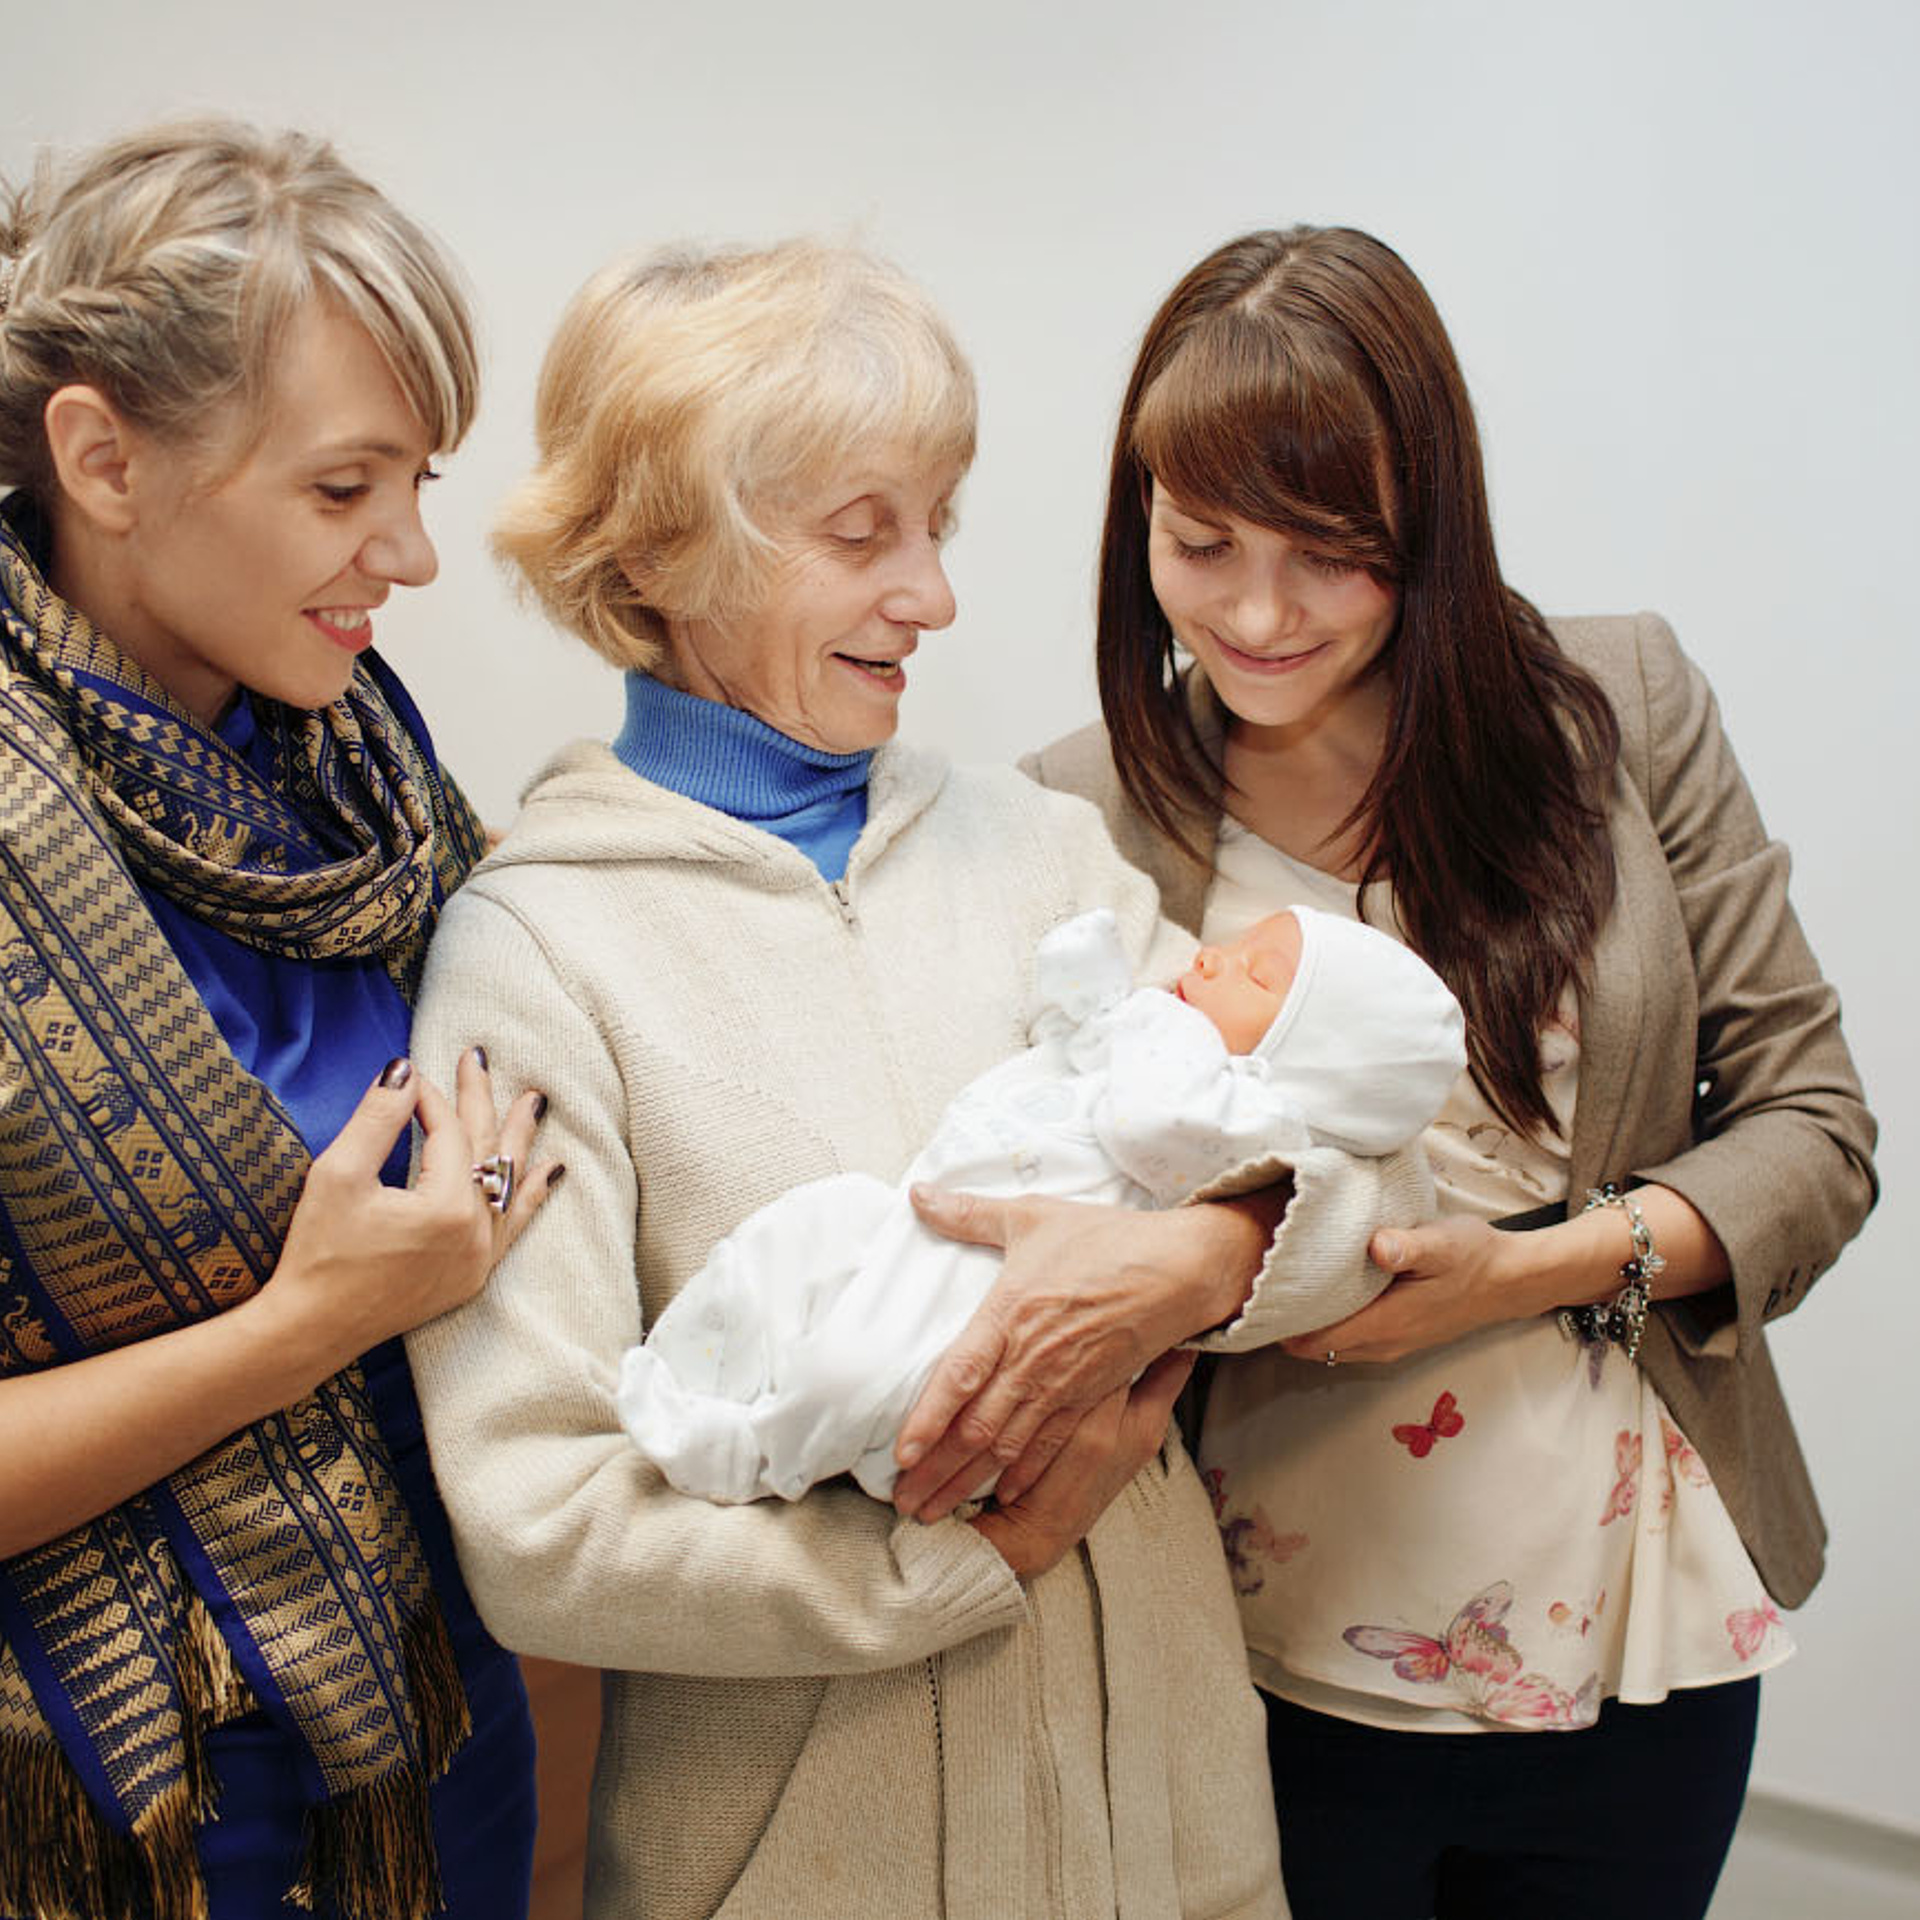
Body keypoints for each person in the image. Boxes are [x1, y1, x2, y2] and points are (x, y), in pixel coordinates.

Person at [402, 238, 1439, 1920]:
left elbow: (1368, 1177)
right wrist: (951, 1561)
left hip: (1170, 1838)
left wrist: (1206, 1256)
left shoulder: (1039, 854)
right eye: (862, 531)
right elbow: (540, 1523)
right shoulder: (537, 955)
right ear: (669, 547)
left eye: (938, 523)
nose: (935, 596)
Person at [927, 225, 1878, 1919]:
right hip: (1256, 1645)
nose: (1258, 614)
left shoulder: (1619, 704)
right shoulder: (1079, 811)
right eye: (1200, 543)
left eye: (1331, 554)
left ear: (1427, 525)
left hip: (1636, 1630)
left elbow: (1815, 1131)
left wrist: (1534, 1271)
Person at [0, 123, 555, 1920]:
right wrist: (307, 1325)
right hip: (130, 1807)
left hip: (439, 1715)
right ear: (102, 458)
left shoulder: (359, 775)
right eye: (342, 490)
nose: (409, 553)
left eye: (419, 483)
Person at [617, 902, 1464, 1504]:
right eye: (1230, 944)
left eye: (1256, 974)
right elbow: (1065, 1033)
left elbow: (1148, 1121)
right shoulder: (1168, 1043)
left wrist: (1151, 1027)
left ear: (1309, 1056)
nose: (1207, 957)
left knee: (859, 1360)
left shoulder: (1248, 1113)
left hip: (992, 1289)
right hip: (927, 1218)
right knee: (808, 1227)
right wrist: (1088, 986)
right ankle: (696, 1373)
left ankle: (766, 1450)